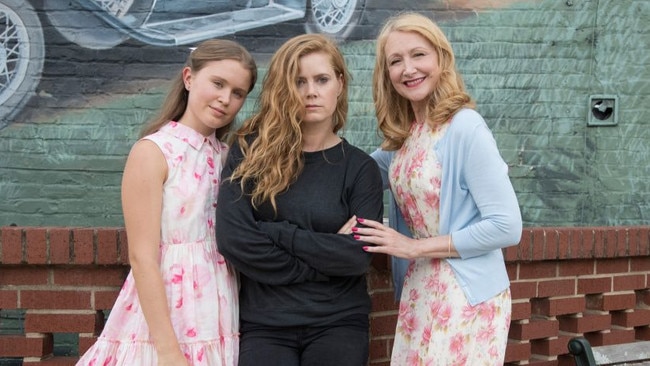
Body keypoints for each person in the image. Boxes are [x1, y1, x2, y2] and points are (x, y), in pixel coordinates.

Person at [352, 12, 523, 365]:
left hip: (466, 293)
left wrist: (413, 247)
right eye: (395, 61)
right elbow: (355, 175)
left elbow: (507, 225)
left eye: (418, 55)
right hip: (420, 290)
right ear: (387, 75)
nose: (408, 69)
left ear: (441, 59)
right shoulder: (405, 137)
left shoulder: (465, 127)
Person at [76, 39, 257, 366]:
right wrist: (169, 351)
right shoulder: (154, 151)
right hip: (165, 318)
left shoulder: (230, 158)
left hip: (220, 310)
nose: (225, 99)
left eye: (238, 92)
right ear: (189, 78)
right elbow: (142, 256)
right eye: (217, 84)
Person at [214, 33, 384, 366]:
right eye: (299, 81)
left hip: (338, 322)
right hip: (265, 324)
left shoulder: (361, 168)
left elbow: (356, 258)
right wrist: (325, 252)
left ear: (339, 83)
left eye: (321, 79)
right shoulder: (250, 151)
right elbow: (234, 240)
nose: (310, 92)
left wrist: (277, 233)